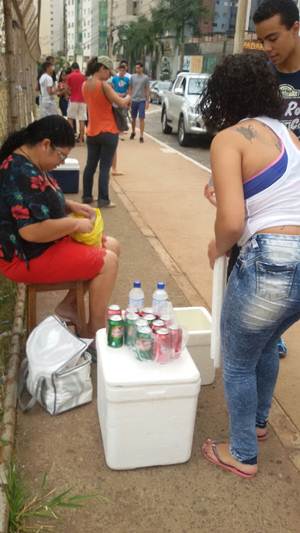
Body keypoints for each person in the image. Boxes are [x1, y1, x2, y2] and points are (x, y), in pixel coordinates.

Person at [199, 53, 300, 478]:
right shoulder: (291, 137)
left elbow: (233, 222)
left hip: (270, 261)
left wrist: (215, 246)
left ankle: (241, 453)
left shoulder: (229, 138)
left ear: (223, 94)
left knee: (239, 360)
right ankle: (258, 423)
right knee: (265, 343)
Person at [0, 115, 119, 340]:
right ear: (46, 145)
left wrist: (71, 205)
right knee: (108, 262)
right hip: (26, 257)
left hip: (42, 247)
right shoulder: (19, 172)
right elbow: (31, 231)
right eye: (61, 156)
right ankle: (94, 332)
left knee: (113, 245)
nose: (61, 162)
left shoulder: (29, 162)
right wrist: (74, 223)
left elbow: (39, 200)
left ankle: (69, 307)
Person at [82, 56, 130, 208]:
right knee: (104, 167)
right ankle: (103, 200)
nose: (110, 76)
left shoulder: (85, 85)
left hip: (92, 131)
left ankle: (87, 196)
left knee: (90, 166)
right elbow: (121, 103)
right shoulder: (103, 86)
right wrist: (129, 96)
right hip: (108, 131)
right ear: (102, 68)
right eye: (109, 72)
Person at [254, 0, 300, 139]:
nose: (267, 48)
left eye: (273, 39)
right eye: (262, 41)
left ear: (295, 29)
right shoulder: (259, 78)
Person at [110, 63, 130, 176]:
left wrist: (126, 97)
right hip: (116, 100)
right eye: (120, 70)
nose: (122, 71)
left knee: (122, 115)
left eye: (123, 70)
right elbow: (112, 89)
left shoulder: (127, 79)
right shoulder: (114, 79)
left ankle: (121, 129)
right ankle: (113, 168)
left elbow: (128, 90)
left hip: (121, 100)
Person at [129, 62, 150, 143]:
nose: (137, 69)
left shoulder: (145, 78)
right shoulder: (132, 77)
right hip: (133, 100)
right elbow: (130, 88)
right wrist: (129, 99)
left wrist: (147, 101)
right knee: (133, 118)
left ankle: (141, 135)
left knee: (141, 118)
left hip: (142, 100)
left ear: (142, 68)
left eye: (138, 68)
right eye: (136, 68)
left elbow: (147, 89)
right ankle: (133, 132)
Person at [66, 62, 87, 144]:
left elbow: (67, 88)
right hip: (83, 100)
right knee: (82, 120)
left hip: (73, 100)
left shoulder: (70, 76)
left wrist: (69, 94)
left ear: (72, 68)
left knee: (70, 118)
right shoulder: (84, 76)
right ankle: (81, 140)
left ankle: (71, 139)